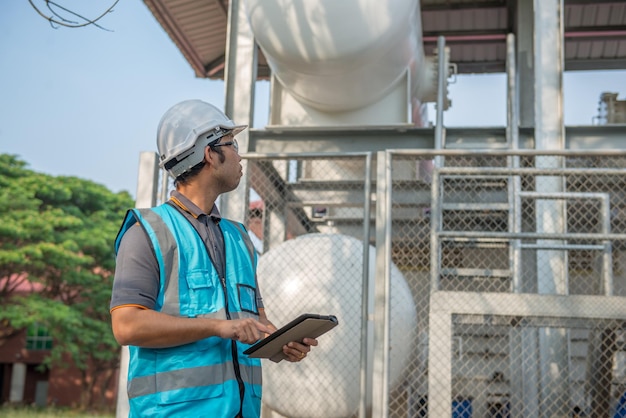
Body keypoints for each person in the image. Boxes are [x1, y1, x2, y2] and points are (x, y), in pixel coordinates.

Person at [109, 99, 318, 417]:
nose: (239, 154)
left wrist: (280, 345)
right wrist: (218, 327)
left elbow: (253, 323)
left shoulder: (239, 238)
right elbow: (126, 325)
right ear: (209, 153)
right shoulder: (147, 231)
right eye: (232, 144)